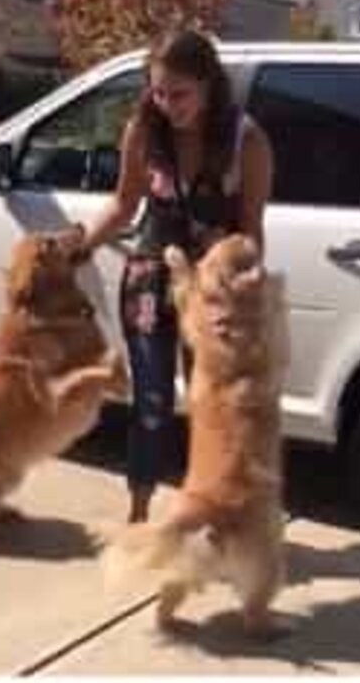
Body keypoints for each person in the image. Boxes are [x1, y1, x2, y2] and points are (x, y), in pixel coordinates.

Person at [74, 28, 274, 522]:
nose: (167, 103)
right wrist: (79, 246)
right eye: (158, 91)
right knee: (152, 402)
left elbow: (250, 231)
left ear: (209, 84)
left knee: (212, 409)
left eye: (179, 92)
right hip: (149, 280)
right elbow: (123, 205)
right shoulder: (143, 130)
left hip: (211, 295)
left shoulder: (245, 141)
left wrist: (245, 286)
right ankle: (140, 516)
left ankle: (209, 513)